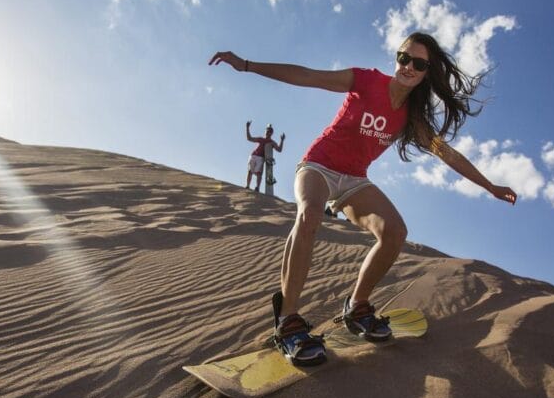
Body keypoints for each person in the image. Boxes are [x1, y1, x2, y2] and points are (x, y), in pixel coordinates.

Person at [209, 32, 517, 366]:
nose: (408, 67)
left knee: (395, 232)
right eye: (403, 58)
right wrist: (246, 65)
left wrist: (490, 186)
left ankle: (357, 307)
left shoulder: (412, 115)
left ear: (427, 72)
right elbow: (308, 76)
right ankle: (288, 322)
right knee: (310, 214)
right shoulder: (366, 80)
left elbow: (448, 154)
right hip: (318, 166)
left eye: (418, 63)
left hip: (354, 179)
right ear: (396, 58)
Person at [245, 121, 284, 192]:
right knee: (250, 171)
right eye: (267, 130)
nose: (267, 132)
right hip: (254, 155)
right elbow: (249, 138)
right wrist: (247, 128)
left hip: (261, 158)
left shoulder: (272, 142)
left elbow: (279, 149)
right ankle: (247, 186)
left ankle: (257, 187)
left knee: (259, 173)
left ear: (271, 133)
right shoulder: (261, 139)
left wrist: (282, 140)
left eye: (269, 131)